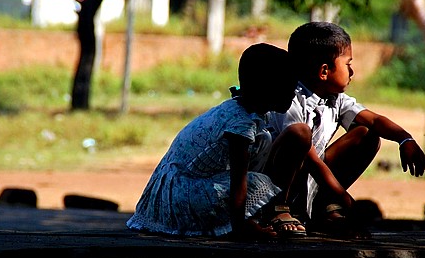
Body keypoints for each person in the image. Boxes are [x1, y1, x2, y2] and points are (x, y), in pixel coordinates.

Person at [126, 43, 307, 240]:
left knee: (264, 141)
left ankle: (245, 218)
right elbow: (239, 182)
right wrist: (241, 228)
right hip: (181, 197)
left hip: (174, 192)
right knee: (257, 182)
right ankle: (239, 223)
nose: (294, 93)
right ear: (267, 87)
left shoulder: (240, 109)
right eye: (289, 86)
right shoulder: (240, 124)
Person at [266, 21, 425, 237]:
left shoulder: (335, 99)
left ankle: (323, 210)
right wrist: (343, 196)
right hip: (275, 183)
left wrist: (405, 139)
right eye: (347, 64)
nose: (352, 71)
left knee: (367, 135)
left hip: (310, 180)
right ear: (325, 71)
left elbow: (374, 120)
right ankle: (279, 209)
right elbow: (311, 159)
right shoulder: (289, 100)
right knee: (299, 135)